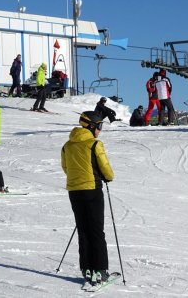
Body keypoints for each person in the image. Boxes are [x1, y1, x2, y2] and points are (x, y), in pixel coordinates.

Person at [61, 111, 114, 285]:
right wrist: (108, 177)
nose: (100, 130)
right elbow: (105, 168)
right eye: (99, 126)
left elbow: (66, 167)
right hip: (92, 189)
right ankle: (100, 270)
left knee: (83, 230)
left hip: (74, 192)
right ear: (91, 126)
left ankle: (87, 269)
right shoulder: (94, 144)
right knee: (96, 231)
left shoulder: (67, 145)